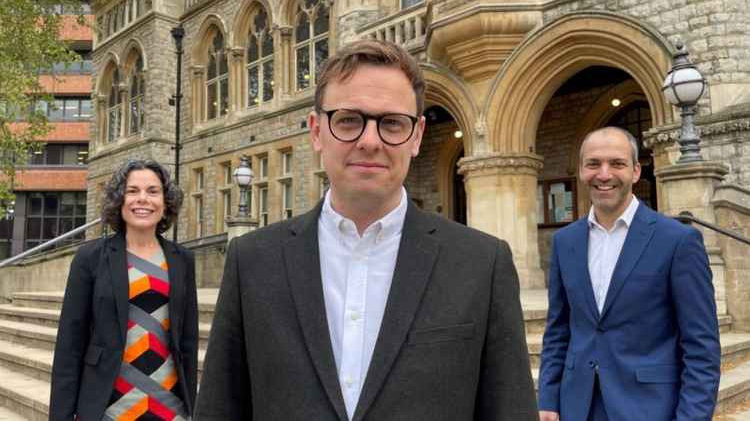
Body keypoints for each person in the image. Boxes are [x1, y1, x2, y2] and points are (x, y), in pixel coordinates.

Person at [195, 39, 537, 420]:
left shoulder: (481, 264)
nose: (370, 141)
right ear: (316, 131)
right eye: (348, 120)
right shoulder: (253, 262)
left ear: (417, 135)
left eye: (392, 122)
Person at [537, 126, 721, 421]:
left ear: (636, 171)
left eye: (617, 163)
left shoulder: (677, 241)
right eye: (593, 164)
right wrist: (548, 397)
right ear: (582, 171)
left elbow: (701, 347)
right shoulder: (565, 241)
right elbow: (558, 330)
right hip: (577, 405)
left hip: (649, 408)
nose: (604, 174)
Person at [50, 160, 198, 421]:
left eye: (153, 191)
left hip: (171, 407)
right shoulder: (91, 258)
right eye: (132, 191)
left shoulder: (182, 259)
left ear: (165, 203)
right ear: (119, 200)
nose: (143, 199)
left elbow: (188, 342)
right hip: (110, 407)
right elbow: (69, 346)